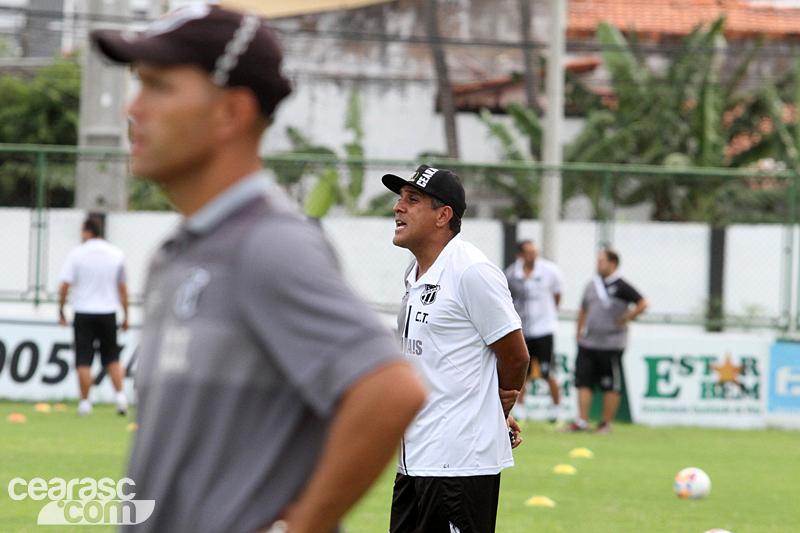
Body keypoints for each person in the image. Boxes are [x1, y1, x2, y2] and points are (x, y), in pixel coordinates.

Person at [90, 5, 425, 533]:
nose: (134, 108)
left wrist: (307, 523)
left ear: (231, 112)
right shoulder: (177, 251)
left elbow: (390, 389)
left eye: (158, 87)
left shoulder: (269, 245)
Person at [382, 164, 529, 532]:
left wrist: (495, 404)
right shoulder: (414, 274)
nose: (399, 207)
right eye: (400, 199)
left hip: (457, 468)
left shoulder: (471, 271)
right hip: (414, 460)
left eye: (412, 200)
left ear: (443, 215)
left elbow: (514, 354)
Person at [570, 248, 648, 433]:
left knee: (610, 383)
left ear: (612, 263)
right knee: (583, 381)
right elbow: (583, 308)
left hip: (612, 344)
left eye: (601, 261)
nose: (598, 265)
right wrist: (578, 330)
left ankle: (605, 423)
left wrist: (626, 318)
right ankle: (582, 421)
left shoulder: (622, 286)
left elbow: (643, 303)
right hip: (589, 342)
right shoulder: (592, 284)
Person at [58, 217, 129, 417]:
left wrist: (61, 309)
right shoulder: (116, 254)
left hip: (83, 312)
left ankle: (85, 403)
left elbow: (64, 285)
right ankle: (120, 398)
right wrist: (126, 315)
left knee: (83, 359)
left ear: (86, 230)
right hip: (108, 312)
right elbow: (123, 288)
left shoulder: (77, 254)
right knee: (112, 357)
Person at [505, 239, 564, 423]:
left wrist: (548, 315)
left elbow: (557, 295)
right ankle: (519, 410)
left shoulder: (550, 271)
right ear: (520, 255)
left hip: (544, 329)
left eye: (535, 252)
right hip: (522, 328)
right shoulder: (512, 274)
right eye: (529, 252)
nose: (533, 256)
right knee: (523, 371)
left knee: (548, 371)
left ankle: (557, 410)